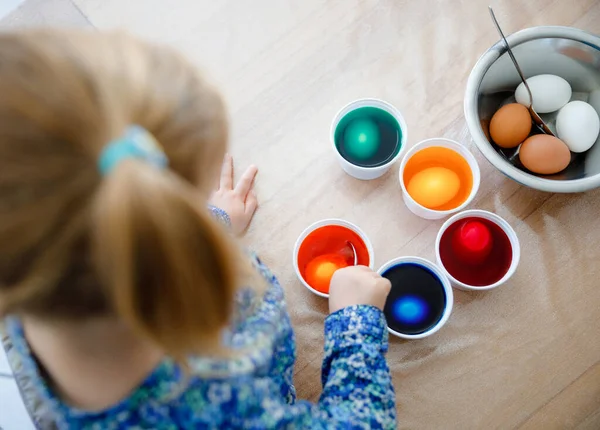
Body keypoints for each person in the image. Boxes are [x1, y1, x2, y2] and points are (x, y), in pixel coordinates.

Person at [0, 29, 396, 429]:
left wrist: (216, 223)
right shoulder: (212, 404)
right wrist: (355, 322)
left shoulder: (29, 275)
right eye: (184, 204)